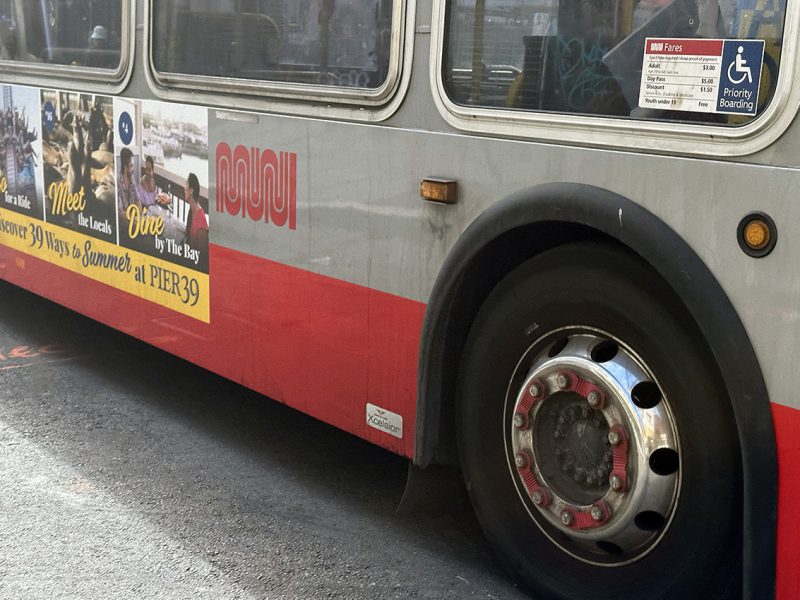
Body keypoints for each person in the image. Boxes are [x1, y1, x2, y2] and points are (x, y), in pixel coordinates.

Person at [184, 172, 208, 251]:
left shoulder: (201, 221)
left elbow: (203, 257)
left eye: (186, 184)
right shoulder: (191, 210)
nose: (184, 187)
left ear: (191, 190)